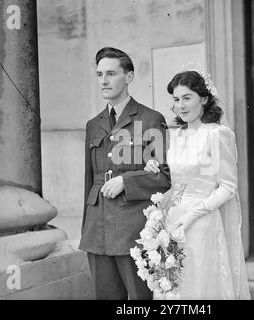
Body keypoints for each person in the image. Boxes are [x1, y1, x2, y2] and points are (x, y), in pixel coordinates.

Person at [144, 70, 250, 299]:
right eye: (176, 99)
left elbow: (228, 187)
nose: (180, 105)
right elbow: (178, 180)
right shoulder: (176, 135)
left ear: (204, 98)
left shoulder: (217, 134)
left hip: (201, 223)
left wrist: (193, 215)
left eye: (187, 98)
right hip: (172, 220)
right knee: (174, 286)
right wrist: (153, 167)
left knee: (199, 286)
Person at [79, 47, 171, 300]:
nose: (104, 81)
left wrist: (125, 180)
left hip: (133, 229)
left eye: (111, 73)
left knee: (140, 299)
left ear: (128, 77)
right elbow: (89, 179)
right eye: (99, 75)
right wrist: (86, 227)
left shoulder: (151, 119)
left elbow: (164, 176)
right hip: (97, 229)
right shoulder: (93, 124)